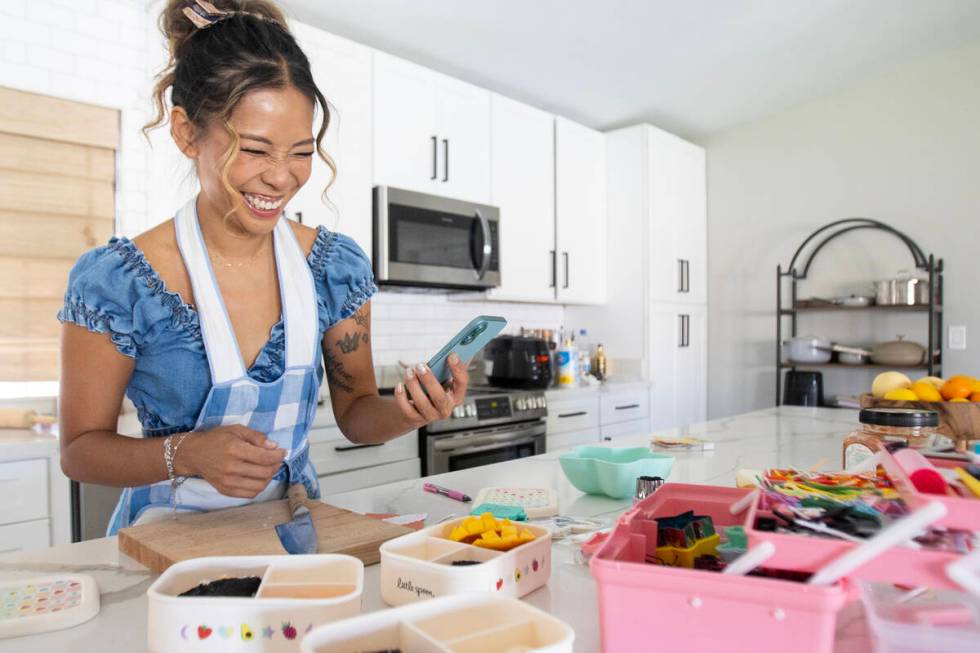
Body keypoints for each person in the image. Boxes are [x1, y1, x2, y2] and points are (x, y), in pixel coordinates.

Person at [57, 0, 468, 535]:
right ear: (186, 133)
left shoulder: (332, 267)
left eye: (301, 152)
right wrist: (188, 454)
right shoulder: (118, 282)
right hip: (165, 545)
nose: (281, 178)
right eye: (254, 150)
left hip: (293, 536)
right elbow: (80, 451)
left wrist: (409, 411)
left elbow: (358, 413)